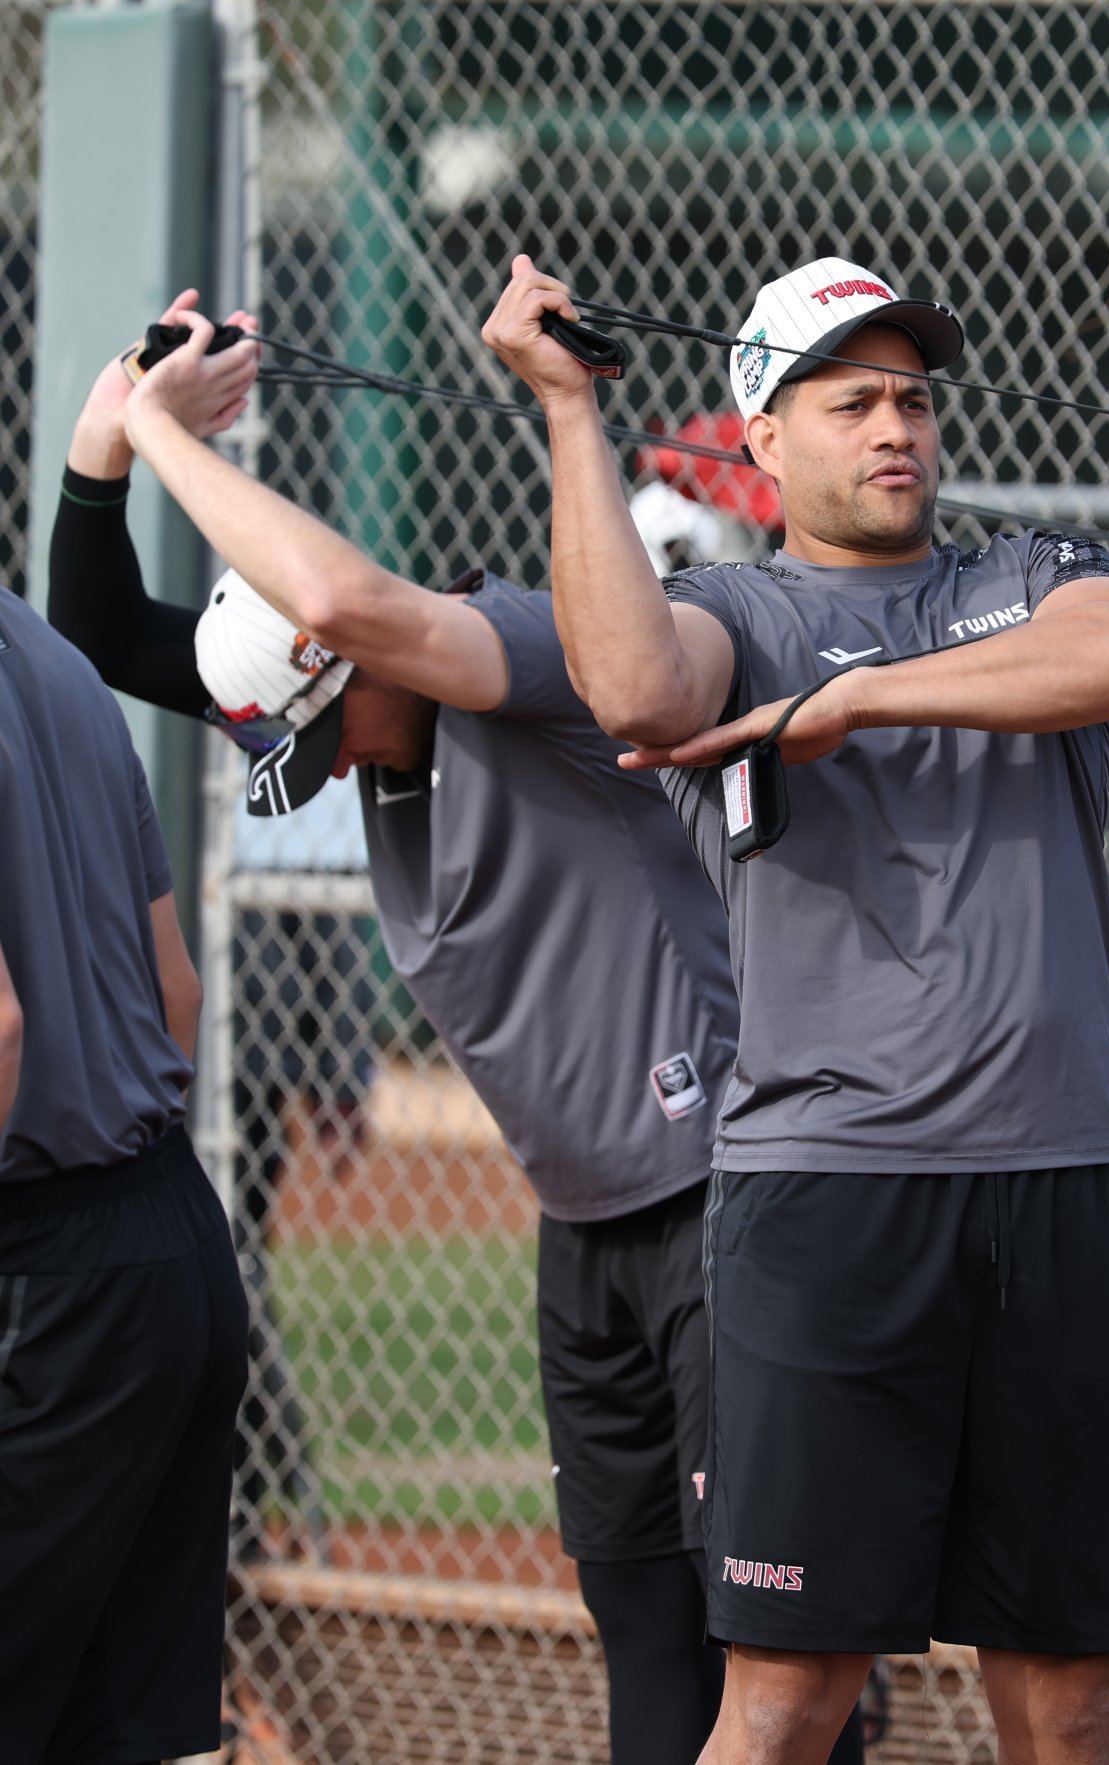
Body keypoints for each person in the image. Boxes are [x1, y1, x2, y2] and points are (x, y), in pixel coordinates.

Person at [50, 293, 867, 1765]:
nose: (321, 762)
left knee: (768, 1647)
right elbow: (99, 631)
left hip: (728, 1193)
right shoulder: (314, 687)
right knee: (636, 1623)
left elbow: (358, 607)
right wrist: (106, 437)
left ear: (351, 666)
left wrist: (173, 440)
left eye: (318, 727)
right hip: (591, 1222)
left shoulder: (518, 663)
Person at [483, 251, 1109, 1765]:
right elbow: (634, 695)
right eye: (852, 398)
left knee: (1070, 1692)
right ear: (764, 438)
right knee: (792, 1693)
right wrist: (567, 412)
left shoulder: (1029, 574)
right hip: (830, 1199)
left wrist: (857, 702)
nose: (897, 426)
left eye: (915, 399)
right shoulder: (735, 607)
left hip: (1066, 1181)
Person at [0, 586, 248, 1765]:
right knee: (118, 1729)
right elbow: (177, 992)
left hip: (41, 1268)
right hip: (166, 1235)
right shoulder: (51, 659)